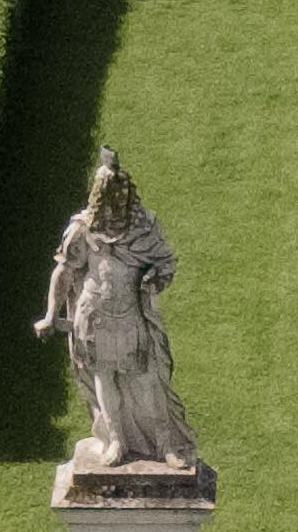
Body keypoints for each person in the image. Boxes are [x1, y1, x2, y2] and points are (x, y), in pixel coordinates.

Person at [43, 148, 198, 468]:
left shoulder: (143, 229)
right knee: (104, 378)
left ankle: (164, 444)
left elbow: (165, 264)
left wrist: (153, 280)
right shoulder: (84, 228)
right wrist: (50, 315)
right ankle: (116, 440)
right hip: (93, 317)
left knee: (146, 380)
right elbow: (65, 271)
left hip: (129, 316)